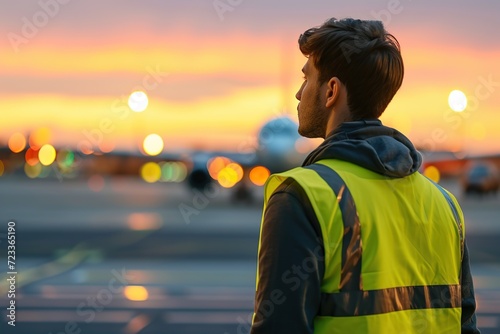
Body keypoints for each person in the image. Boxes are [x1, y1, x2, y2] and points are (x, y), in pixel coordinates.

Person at [250, 18, 479, 334]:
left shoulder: (302, 196)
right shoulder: (445, 205)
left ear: (331, 91)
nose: (298, 94)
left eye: (306, 79)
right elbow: (465, 325)